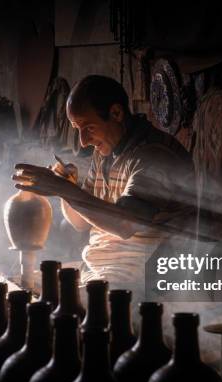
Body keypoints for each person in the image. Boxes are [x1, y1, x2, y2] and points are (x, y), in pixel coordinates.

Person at [13, 75, 194, 286]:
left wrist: (63, 188)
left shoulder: (156, 156)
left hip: (145, 278)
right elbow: (80, 223)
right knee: (25, 284)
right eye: (77, 129)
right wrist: (65, 189)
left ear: (116, 113)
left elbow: (124, 225)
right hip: (102, 268)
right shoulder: (105, 154)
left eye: (88, 128)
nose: (83, 142)